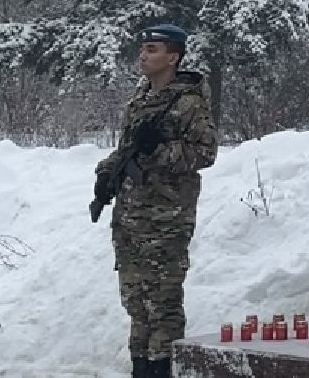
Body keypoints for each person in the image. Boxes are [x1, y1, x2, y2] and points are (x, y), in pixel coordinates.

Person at [92, 24, 218, 378]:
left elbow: (205, 153)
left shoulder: (189, 101)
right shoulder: (140, 98)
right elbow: (127, 149)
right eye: (143, 49)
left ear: (173, 57)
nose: (143, 56)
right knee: (135, 303)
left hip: (166, 218)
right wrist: (106, 176)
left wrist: (159, 150)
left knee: (162, 304)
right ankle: (141, 370)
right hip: (131, 217)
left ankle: (162, 370)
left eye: (152, 49)